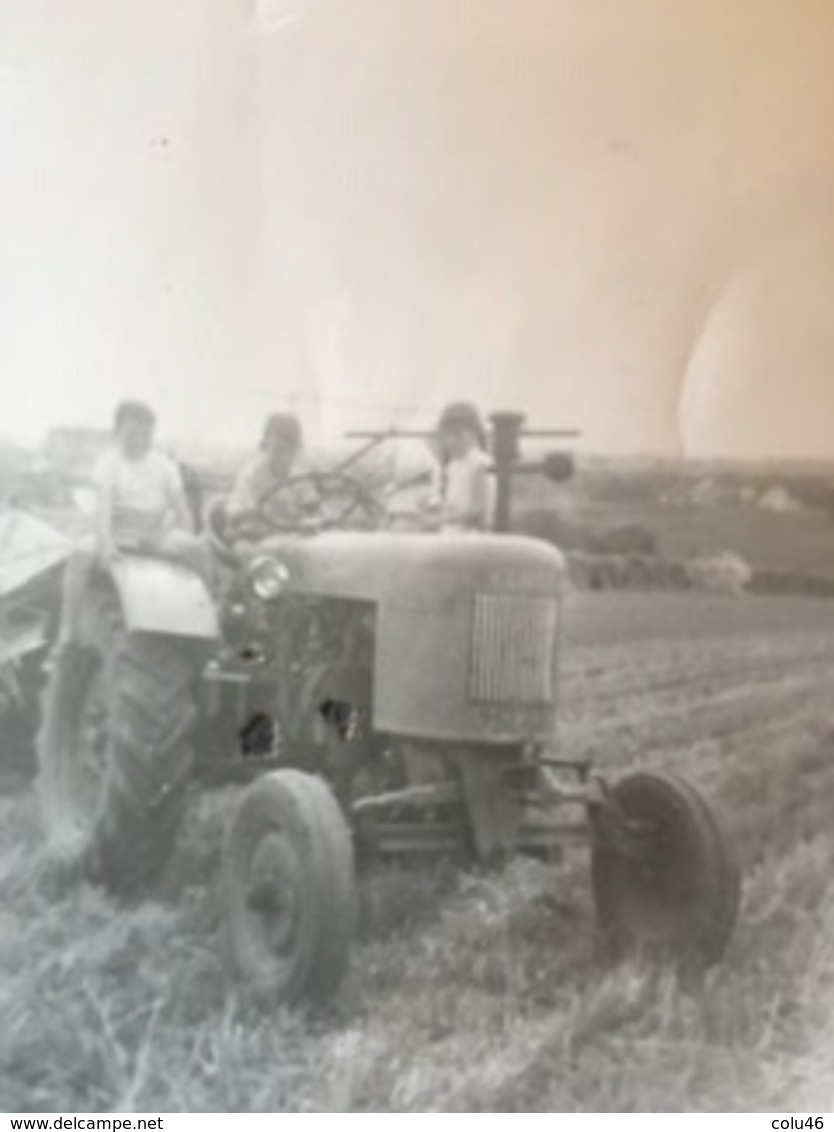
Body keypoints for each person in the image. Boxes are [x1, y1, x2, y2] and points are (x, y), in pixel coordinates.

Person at [54, 400, 207, 650]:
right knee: (80, 554)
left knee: (196, 550)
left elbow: (181, 509)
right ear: (118, 432)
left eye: (146, 434)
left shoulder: (164, 467)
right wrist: (106, 545)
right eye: (132, 433)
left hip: (152, 534)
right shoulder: (108, 464)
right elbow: (103, 509)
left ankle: (204, 621)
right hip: (115, 530)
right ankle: (68, 629)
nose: (139, 440)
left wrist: (186, 537)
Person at [225, 412, 321, 556]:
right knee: (245, 551)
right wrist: (250, 511)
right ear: (265, 446)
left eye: (290, 451)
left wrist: (313, 520)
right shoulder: (251, 474)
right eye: (278, 450)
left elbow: (315, 509)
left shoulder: (299, 477)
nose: (284, 458)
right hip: (257, 538)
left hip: (292, 539)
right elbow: (234, 508)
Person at [424, 402, 494, 533]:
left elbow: (479, 510)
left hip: (474, 533)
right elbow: (453, 503)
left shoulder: (479, 463)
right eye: (446, 435)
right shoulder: (453, 466)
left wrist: (443, 519)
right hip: (454, 531)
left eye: (458, 434)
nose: (451, 441)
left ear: (475, 433)